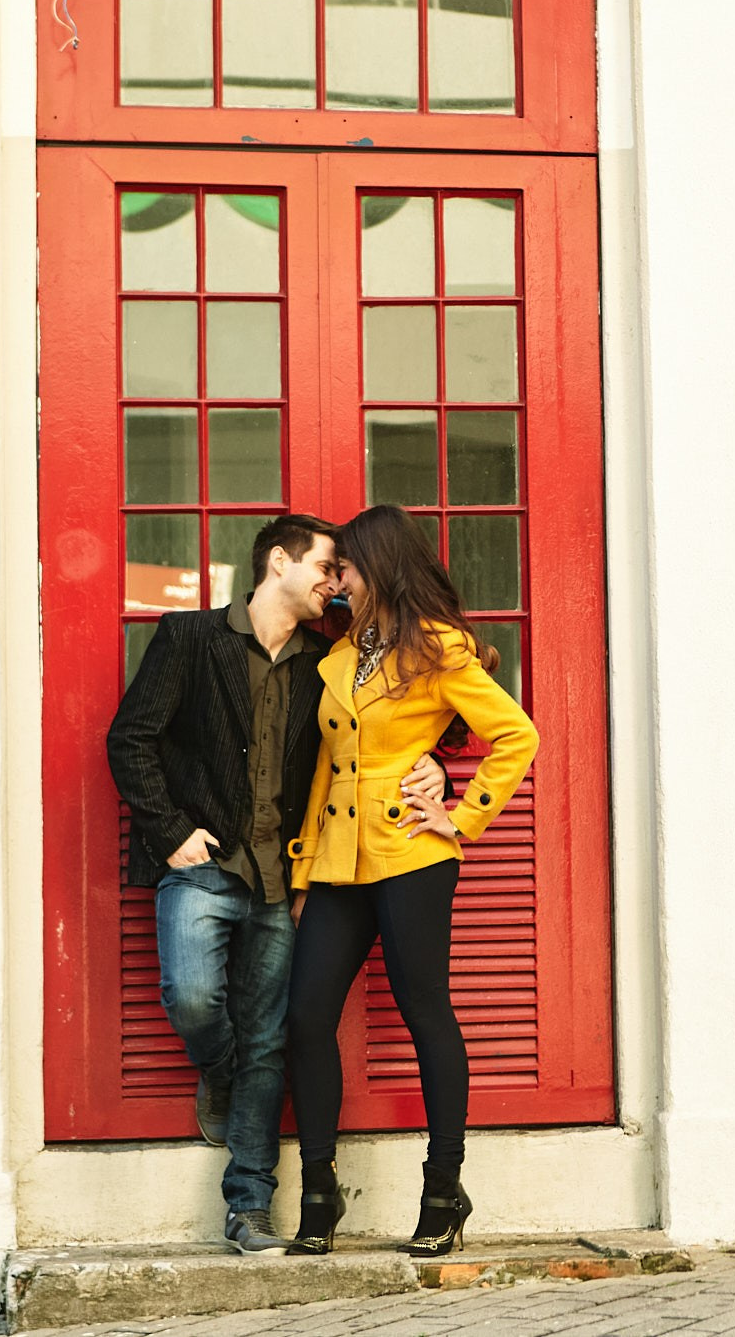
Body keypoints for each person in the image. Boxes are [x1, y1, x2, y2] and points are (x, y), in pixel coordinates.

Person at [106, 514, 445, 1256]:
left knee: (270, 1040)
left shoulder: (328, 660)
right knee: (193, 1000)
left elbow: (394, 723)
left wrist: (438, 765)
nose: (335, 584)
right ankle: (219, 1070)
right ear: (279, 563)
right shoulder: (188, 637)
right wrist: (171, 831)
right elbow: (131, 739)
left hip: (282, 880)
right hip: (201, 863)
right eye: (325, 567)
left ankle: (249, 1205)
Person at [283, 505, 539, 1257]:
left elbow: (516, 734)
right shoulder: (341, 656)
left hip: (411, 855)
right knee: (306, 1016)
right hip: (338, 861)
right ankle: (320, 1191)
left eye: (346, 567)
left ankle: (443, 1188)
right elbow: (328, 767)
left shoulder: (438, 648)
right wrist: (304, 871)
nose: (337, 580)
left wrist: (461, 818)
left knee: (426, 1009)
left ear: (378, 566)